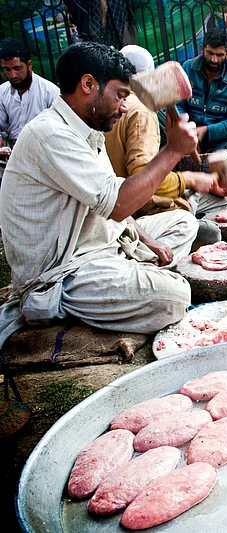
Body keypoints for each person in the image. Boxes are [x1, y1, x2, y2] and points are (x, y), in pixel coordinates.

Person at [0, 42, 200, 350]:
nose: (124, 106)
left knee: (185, 223)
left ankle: (129, 277)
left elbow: (112, 199)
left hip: (102, 241)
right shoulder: (51, 134)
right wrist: (172, 151)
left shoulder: (87, 131)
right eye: (120, 95)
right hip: (63, 271)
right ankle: (65, 304)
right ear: (88, 85)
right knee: (175, 297)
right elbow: (118, 205)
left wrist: (147, 239)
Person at [106, 45, 227, 246]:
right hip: (134, 209)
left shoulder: (110, 105)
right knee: (199, 223)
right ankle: (181, 235)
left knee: (214, 199)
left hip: (118, 199)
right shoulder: (141, 112)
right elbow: (141, 176)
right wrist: (189, 179)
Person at [175, 27, 227, 177]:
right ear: (202, 48)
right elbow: (178, 104)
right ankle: (204, 168)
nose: (214, 60)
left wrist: (206, 131)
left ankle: (189, 169)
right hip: (187, 137)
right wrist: (187, 127)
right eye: (209, 53)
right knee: (159, 122)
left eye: (219, 55)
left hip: (222, 143)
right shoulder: (187, 69)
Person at [0, 38, 59, 148]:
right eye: (7, 70)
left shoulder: (50, 92)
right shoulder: (2, 91)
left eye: (17, 68)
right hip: (12, 149)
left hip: (43, 149)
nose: (12, 75)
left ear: (29, 65)